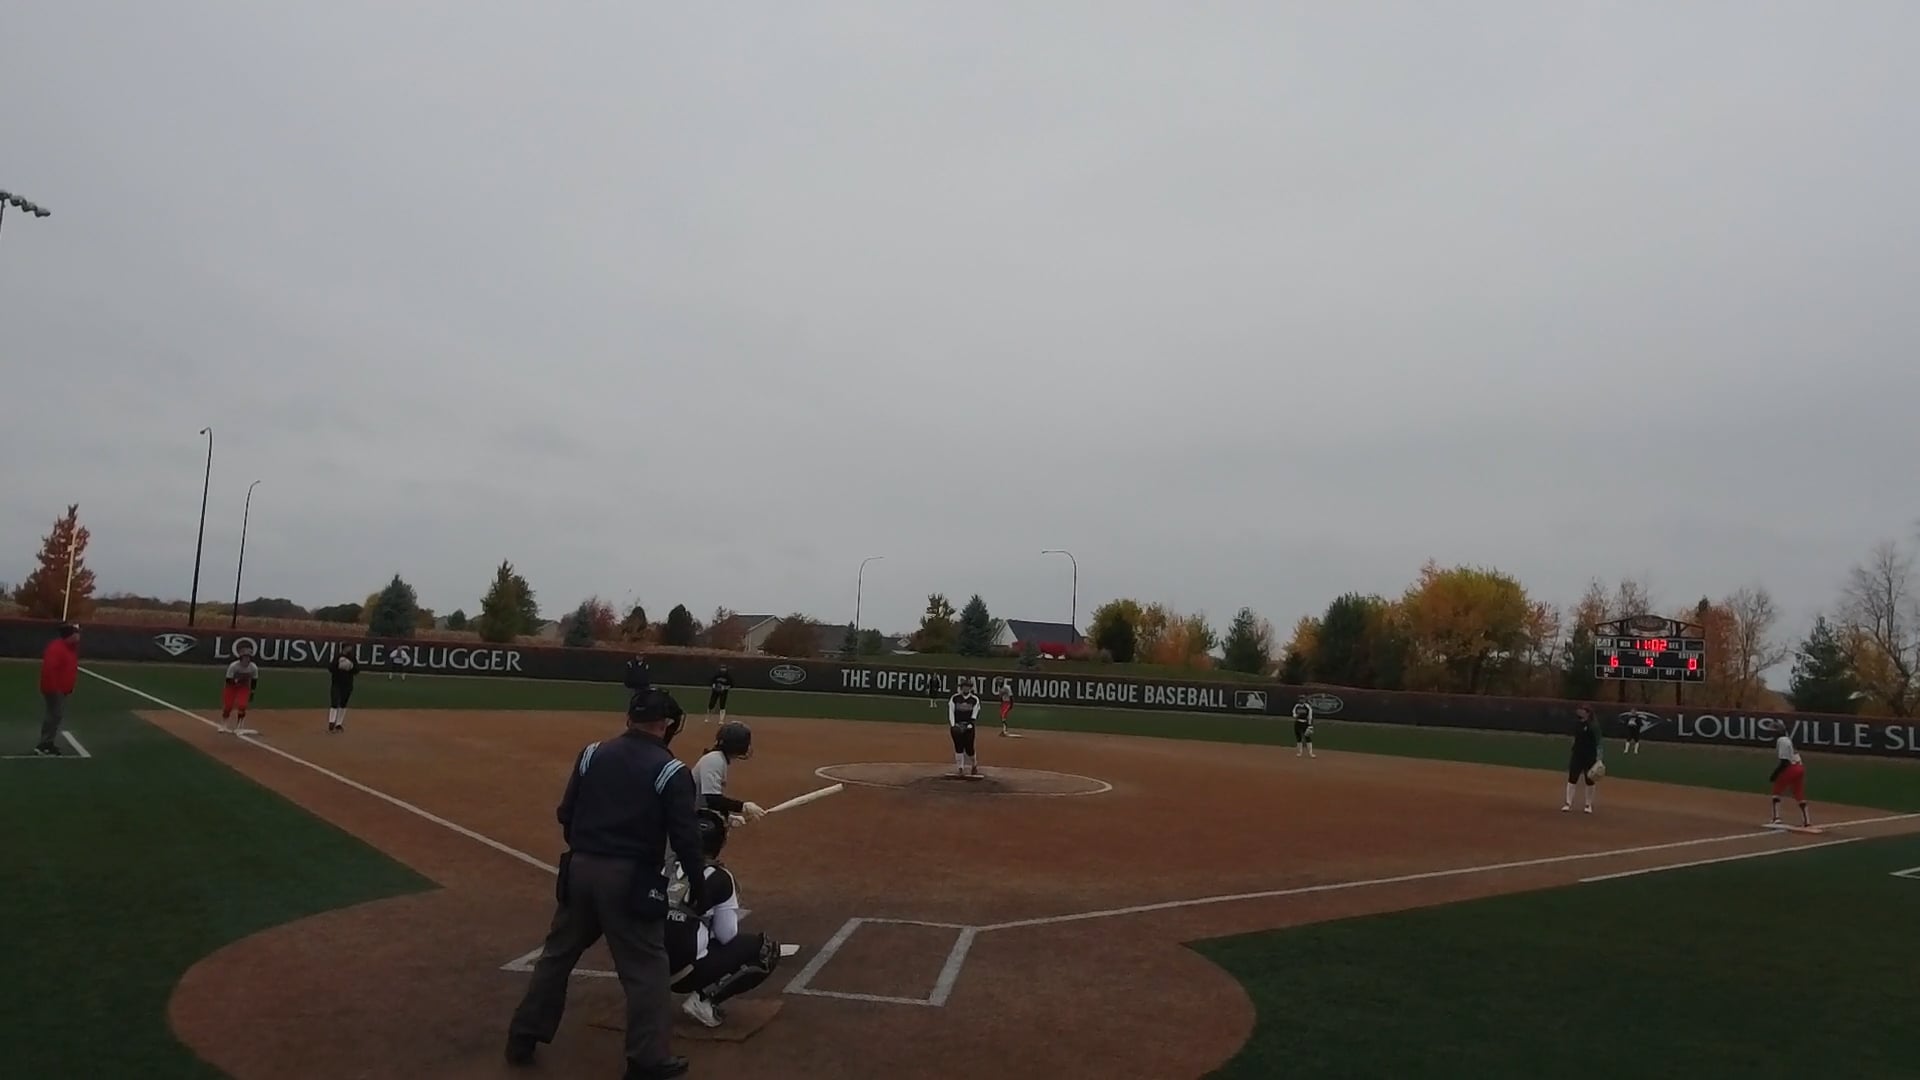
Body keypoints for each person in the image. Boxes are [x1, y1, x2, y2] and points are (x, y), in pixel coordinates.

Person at [506, 687, 706, 1080]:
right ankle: (646, 1060)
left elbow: (566, 813)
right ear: (666, 724)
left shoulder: (592, 753)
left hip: (580, 868)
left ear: (629, 718)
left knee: (556, 956)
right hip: (630, 877)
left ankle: (522, 1036)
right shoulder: (671, 770)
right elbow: (685, 837)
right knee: (647, 968)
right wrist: (697, 881)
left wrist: (588, 847)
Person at [669, 809, 784, 1029]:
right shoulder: (720, 877)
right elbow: (726, 935)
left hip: (640, 966)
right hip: (681, 975)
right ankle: (704, 1000)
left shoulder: (659, 866)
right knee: (765, 950)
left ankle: (642, 996)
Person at [692, 721, 765, 822]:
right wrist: (743, 806)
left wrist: (728, 817)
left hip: (695, 811)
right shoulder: (714, 760)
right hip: (688, 816)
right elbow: (712, 799)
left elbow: (710, 800)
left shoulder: (718, 759)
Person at [35, 622, 80, 756]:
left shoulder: (70, 648)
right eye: (76, 633)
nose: (79, 636)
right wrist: (54, 688)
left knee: (55, 716)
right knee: (54, 715)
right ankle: (44, 745)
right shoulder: (57, 648)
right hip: (54, 688)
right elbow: (50, 670)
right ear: (70, 635)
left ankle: (48, 743)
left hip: (61, 688)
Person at [1767, 723, 1812, 828]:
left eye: (1773, 732)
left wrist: (1775, 774)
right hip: (1800, 767)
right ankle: (1807, 821)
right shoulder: (1788, 740)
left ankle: (1776, 818)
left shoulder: (1781, 741)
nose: (1771, 734)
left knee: (1776, 791)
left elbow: (1785, 761)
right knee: (1798, 793)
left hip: (1790, 768)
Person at [1563, 706, 1601, 814]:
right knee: (1572, 778)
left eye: (1582, 711)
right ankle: (1568, 803)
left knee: (1590, 780)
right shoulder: (1577, 724)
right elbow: (1575, 738)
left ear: (1588, 713)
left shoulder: (1593, 726)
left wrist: (1599, 758)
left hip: (1590, 755)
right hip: (1577, 755)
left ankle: (1588, 804)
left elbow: (1599, 741)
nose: (1579, 712)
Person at [220, 644, 261, 736]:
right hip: (231, 687)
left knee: (242, 705)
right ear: (241, 657)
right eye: (245, 657)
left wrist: (252, 692)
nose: (247, 659)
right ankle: (224, 724)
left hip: (243, 688)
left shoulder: (253, 667)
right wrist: (236, 681)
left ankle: (239, 726)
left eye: (248, 657)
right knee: (228, 706)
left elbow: (254, 680)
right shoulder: (234, 666)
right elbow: (228, 679)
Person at [949, 677, 983, 779]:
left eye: (967, 687)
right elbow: (951, 711)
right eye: (964, 686)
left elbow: (975, 712)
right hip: (957, 725)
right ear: (961, 688)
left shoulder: (974, 699)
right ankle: (960, 768)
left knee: (969, 748)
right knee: (958, 746)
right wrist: (953, 725)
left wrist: (971, 723)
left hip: (969, 726)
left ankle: (974, 764)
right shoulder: (955, 698)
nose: (965, 688)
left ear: (970, 688)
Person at [327, 651, 359, 733]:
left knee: (343, 704)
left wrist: (350, 667)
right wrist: (339, 666)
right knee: (334, 701)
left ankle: (338, 724)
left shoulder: (352, 658)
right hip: (336, 683)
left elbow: (357, 670)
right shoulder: (337, 657)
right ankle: (331, 722)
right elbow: (330, 668)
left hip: (347, 684)